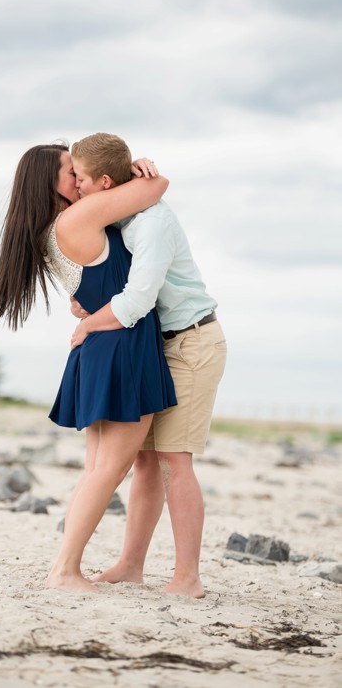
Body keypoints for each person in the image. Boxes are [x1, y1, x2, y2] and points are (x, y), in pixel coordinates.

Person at [0, 141, 174, 592]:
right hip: (122, 346)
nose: (78, 177)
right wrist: (138, 170)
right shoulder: (78, 217)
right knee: (108, 470)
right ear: (48, 182)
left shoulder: (54, 228)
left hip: (101, 346)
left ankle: (66, 567)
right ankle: (65, 571)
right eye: (70, 170)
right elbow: (157, 187)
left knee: (98, 469)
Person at [68, 133, 226, 598]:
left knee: (176, 460)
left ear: (102, 181)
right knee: (144, 461)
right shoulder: (120, 214)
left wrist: (90, 325)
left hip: (192, 343)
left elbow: (137, 299)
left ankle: (187, 579)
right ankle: (130, 565)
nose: (75, 186)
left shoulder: (151, 224)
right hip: (159, 348)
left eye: (79, 178)